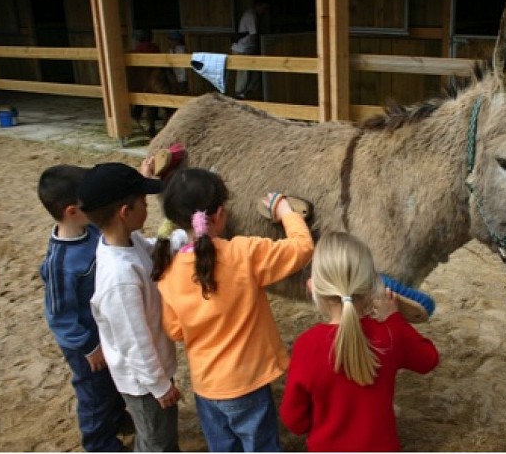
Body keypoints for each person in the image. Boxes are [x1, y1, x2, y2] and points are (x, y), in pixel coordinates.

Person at [151, 168, 314, 452]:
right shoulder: (242, 253)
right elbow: (301, 248)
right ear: (219, 214)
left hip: (206, 387)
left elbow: (176, 330)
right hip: (248, 384)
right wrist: (286, 211)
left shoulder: (168, 272)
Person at [279, 232, 440, 452]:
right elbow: (428, 359)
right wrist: (395, 319)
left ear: (313, 287)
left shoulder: (306, 345)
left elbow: (294, 421)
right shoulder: (390, 334)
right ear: (371, 288)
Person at [78, 161, 181, 452]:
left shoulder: (125, 241)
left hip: (153, 370)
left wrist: (186, 238)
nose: (147, 208)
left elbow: (154, 250)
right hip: (144, 381)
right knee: (156, 441)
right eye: (143, 203)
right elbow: (134, 342)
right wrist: (159, 385)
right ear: (126, 213)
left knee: (160, 434)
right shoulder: (119, 279)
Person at [37, 164, 131, 452]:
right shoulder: (61, 262)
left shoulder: (89, 231)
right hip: (85, 342)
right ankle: (99, 442)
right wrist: (88, 347)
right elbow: (60, 317)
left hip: (103, 329)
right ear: (71, 211)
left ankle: (117, 418)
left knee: (112, 379)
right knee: (94, 392)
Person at [231, 0, 269, 100]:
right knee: (243, 73)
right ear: (258, 6)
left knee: (251, 73)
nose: (264, 11)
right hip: (242, 49)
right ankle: (239, 95)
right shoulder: (250, 16)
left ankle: (246, 93)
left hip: (246, 49)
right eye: (263, 8)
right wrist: (260, 45)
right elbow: (253, 35)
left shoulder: (252, 15)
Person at [167, 30, 188, 94]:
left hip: (182, 77)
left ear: (177, 41)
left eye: (171, 40)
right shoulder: (171, 50)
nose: (169, 42)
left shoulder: (181, 49)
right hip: (175, 77)